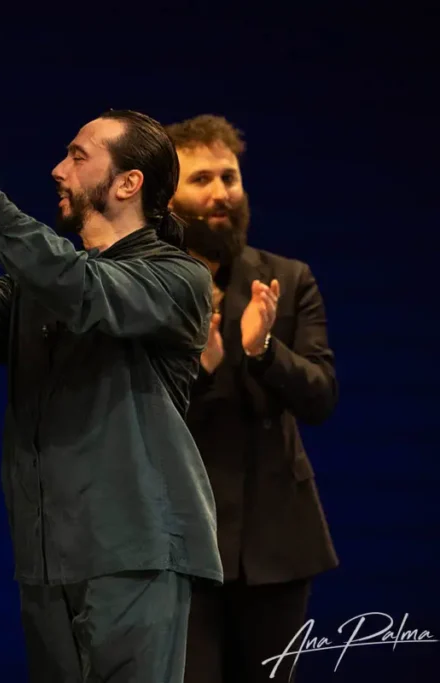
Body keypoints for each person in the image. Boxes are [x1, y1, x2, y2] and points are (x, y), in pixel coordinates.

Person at [0, 89, 223, 683]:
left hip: (132, 554)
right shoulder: (43, 285)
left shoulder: (178, 278)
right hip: (46, 558)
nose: (58, 169)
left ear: (127, 184)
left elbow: (84, 292)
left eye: (78, 156)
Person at [165, 114, 339, 683]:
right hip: (180, 545)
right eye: (201, 179)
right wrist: (202, 371)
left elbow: (320, 397)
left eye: (230, 177)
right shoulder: (148, 287)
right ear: (166, 197)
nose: (221, 193)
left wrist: (263, 350)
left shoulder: (287, 278)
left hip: (276, 544)